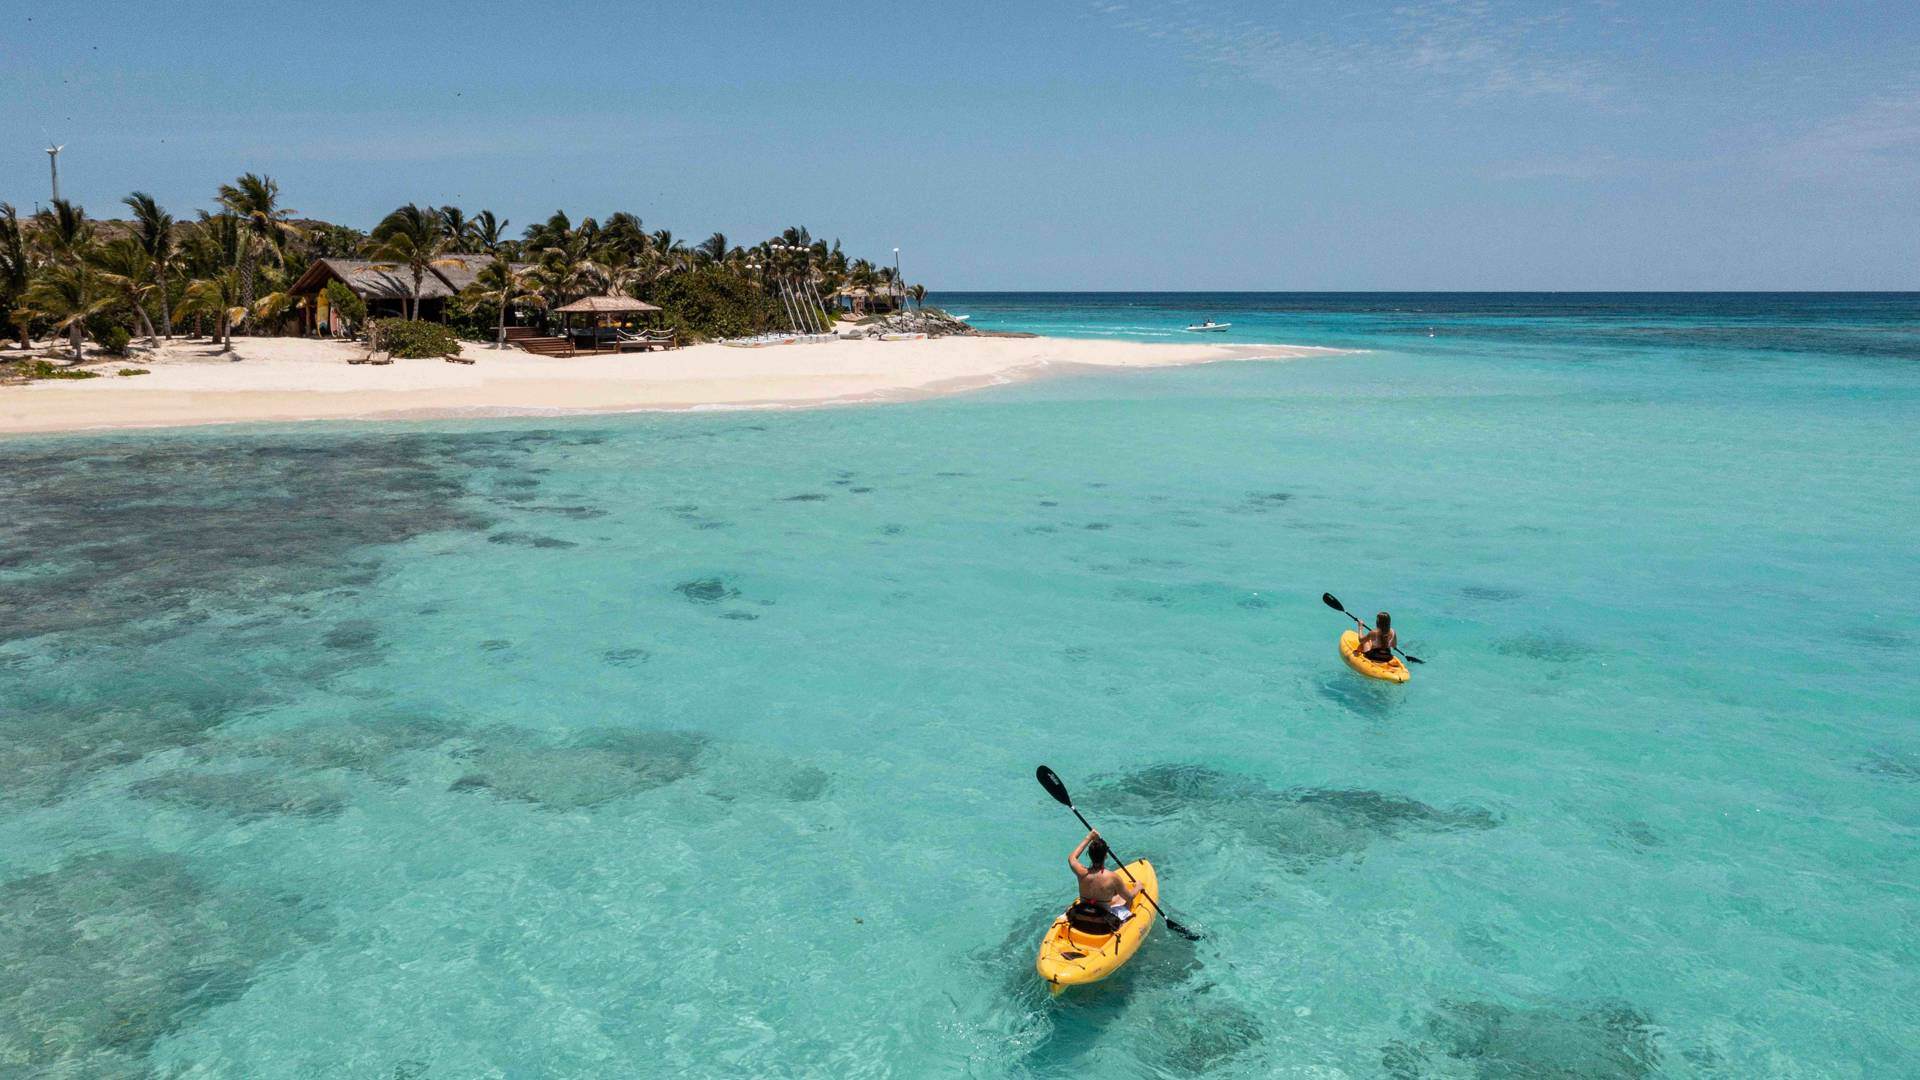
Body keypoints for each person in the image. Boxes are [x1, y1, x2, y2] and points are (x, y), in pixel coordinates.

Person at [1065, 830, 1141, 932]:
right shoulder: (1113, 877)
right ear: (1106, 856)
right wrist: (1138, 887)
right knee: (1128, 902)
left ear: (1089, 855)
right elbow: (1129, 897)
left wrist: (1089, 837)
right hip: (1102, 922)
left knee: (1115, 898)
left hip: (1081, 915)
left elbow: (1072, 858)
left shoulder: (1081, 872)